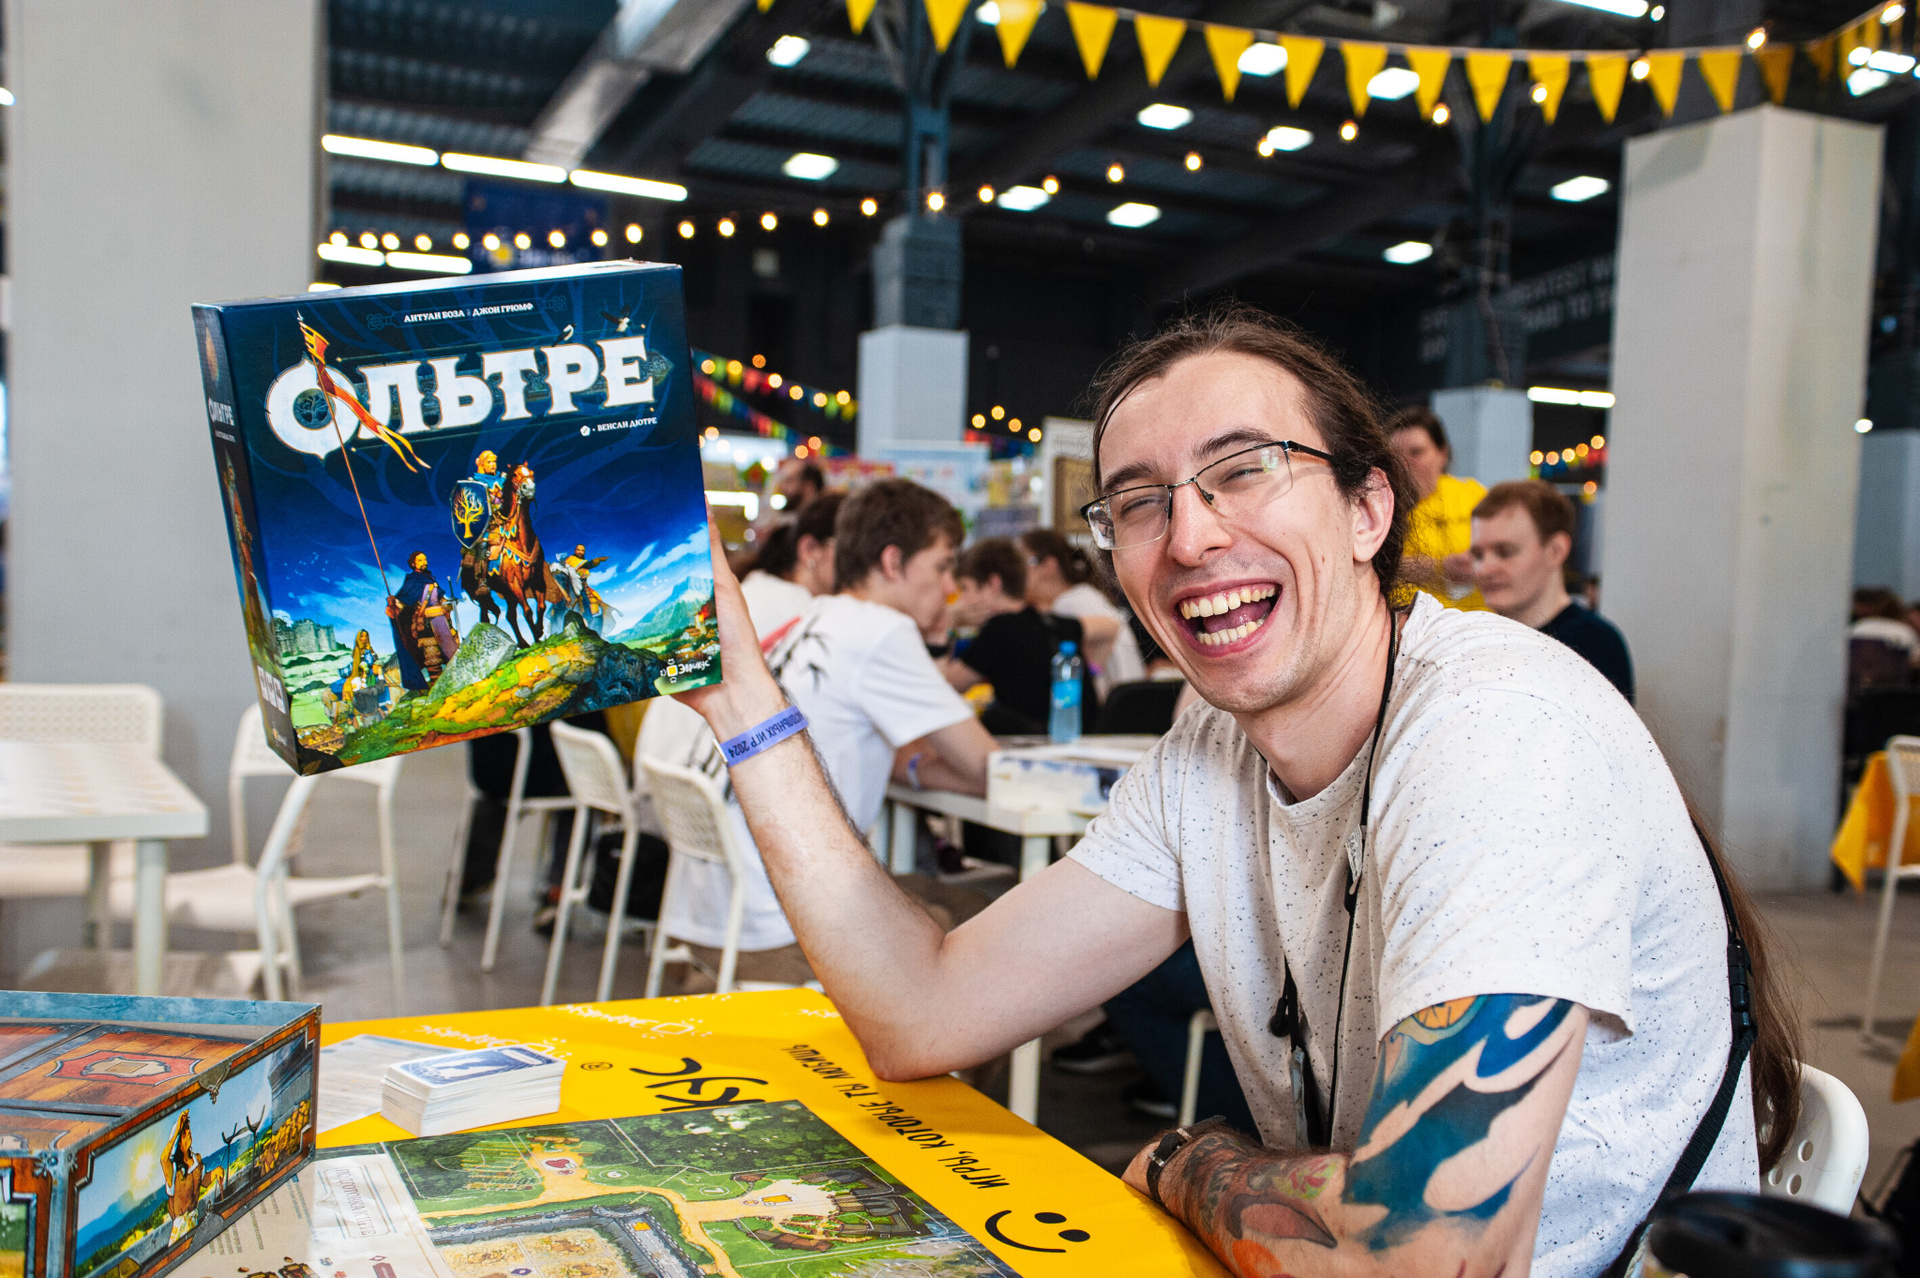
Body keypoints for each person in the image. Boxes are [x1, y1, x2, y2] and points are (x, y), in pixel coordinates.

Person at [669, 304, 1800, 1278]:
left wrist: (1188, 1158)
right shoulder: (1213, 749)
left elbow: (1424, 1258)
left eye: (1245, 468)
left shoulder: (1498, 732)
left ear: (1367, 511)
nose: (1192, 535)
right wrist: (740, 699)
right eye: (1139, 502)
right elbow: (922, 1011)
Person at [639, 479, 998, 986]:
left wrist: (924, 767)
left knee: (934, 899)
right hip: (786, 929)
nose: (949, 588)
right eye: (942, 566)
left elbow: (903, 760)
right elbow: (989, 767)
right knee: (988, 929)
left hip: (711, 915)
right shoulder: (880, 632)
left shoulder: (811, 616)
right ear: (892, 562)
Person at [1469, 480, 1634, 702]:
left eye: (1505, 552)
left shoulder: (1594, 644)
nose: (1484, 569)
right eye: (1478, 555)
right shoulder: (1478, 639)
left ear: (1556, 550)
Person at [942, 537, 1089, 733]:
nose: (961, 599)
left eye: (965, 588)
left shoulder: (999, 629)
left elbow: (945, 687)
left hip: (1029, 742)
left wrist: (945, 623)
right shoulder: (1058, 623)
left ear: (993, 584)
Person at [1020, 528, 1145, 695]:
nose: (1016, 573)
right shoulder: (1082, 595)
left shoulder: (1068, 605)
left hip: (1114, 704)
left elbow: (1089, 677)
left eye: (1021, 563)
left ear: (1049, 566)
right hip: (1126, 699)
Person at [1388, 405, 1486, 610]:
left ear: (1443, 453)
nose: (1404, 463)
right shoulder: (1383, 505)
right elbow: (1381, 564)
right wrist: (1440, 568)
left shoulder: (1472, 493)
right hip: (1412, 618)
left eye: (1416, 452)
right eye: (1395, 454)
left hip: (1478, 617)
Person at [737, 491, 844, 633]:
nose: (861, 564)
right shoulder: (794, 610)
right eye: (849, 549)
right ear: (809, 549)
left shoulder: (766, 585)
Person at [1849, 586, 1918, 691]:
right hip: (1895, 691)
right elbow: (1915, 659)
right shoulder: (1903, 631)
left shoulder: (1855, 628)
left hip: (1858, 690)